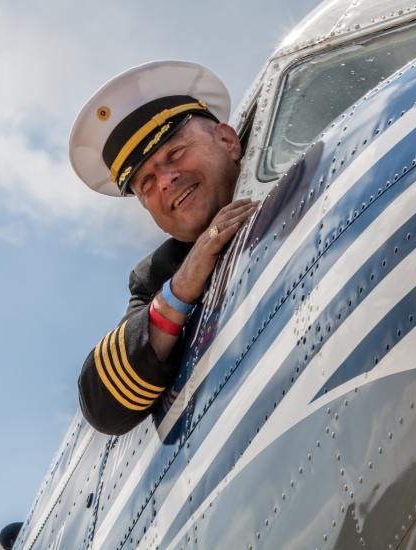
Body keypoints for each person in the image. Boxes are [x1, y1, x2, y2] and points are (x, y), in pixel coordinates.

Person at [69, 60, 258, 435]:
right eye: (146, 184)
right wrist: (184, 284)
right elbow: (102, 406)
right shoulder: (157, 276)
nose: (167, 181)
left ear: (228, 140)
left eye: (175, 154)